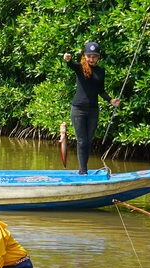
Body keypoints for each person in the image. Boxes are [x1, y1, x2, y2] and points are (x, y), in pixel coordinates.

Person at [63, 41, 120, 174]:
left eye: (94, 56)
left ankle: (84, 169)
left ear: (98, 57)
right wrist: (68, 60)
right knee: (82, 141)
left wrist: (111, 100)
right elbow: (71, 64)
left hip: (93, 110)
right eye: (89, 56)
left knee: (88, 142)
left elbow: (101, 91)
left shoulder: (101, 71)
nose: (92, 59)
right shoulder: (80, 67)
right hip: (78, 110)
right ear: (85, 56)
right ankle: (83, 171)